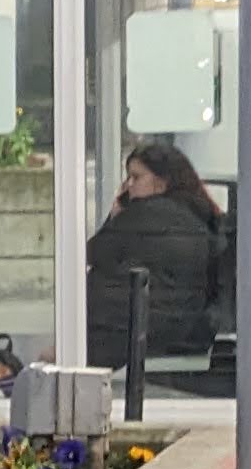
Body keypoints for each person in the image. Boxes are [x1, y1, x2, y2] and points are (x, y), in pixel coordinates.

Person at [83, 139, 229, 371]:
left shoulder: (142, 215)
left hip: (134, 333)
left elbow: (93, 253)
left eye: (137, 177)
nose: (129, 185)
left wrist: (115, 214)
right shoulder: (199, 216)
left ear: (161, 182)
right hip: (187, 331)